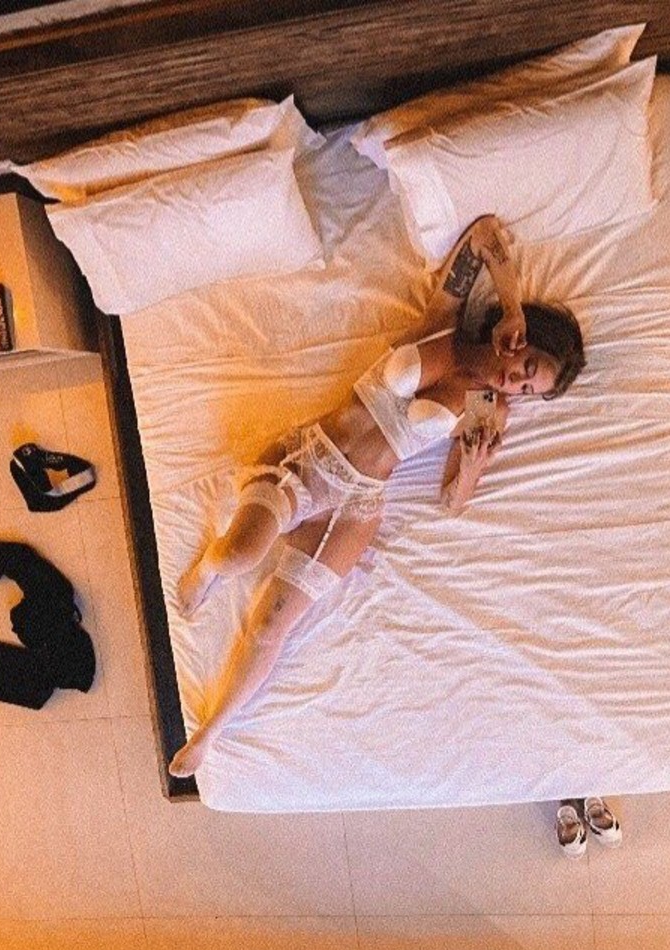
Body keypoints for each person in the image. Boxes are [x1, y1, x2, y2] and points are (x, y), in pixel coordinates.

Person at [169, 214, 586, 778]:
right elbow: (485, 234)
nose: (516, 384)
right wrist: (512, 306)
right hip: (308, 460)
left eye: (530, 389)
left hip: (359, 505)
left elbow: (452, 501)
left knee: (271, 626)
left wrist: (472, 467)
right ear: (522, 340)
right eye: (527, 367)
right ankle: (211, 567)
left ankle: (210, 733)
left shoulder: (488, 408)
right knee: (241, 555)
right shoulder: (442, 326)